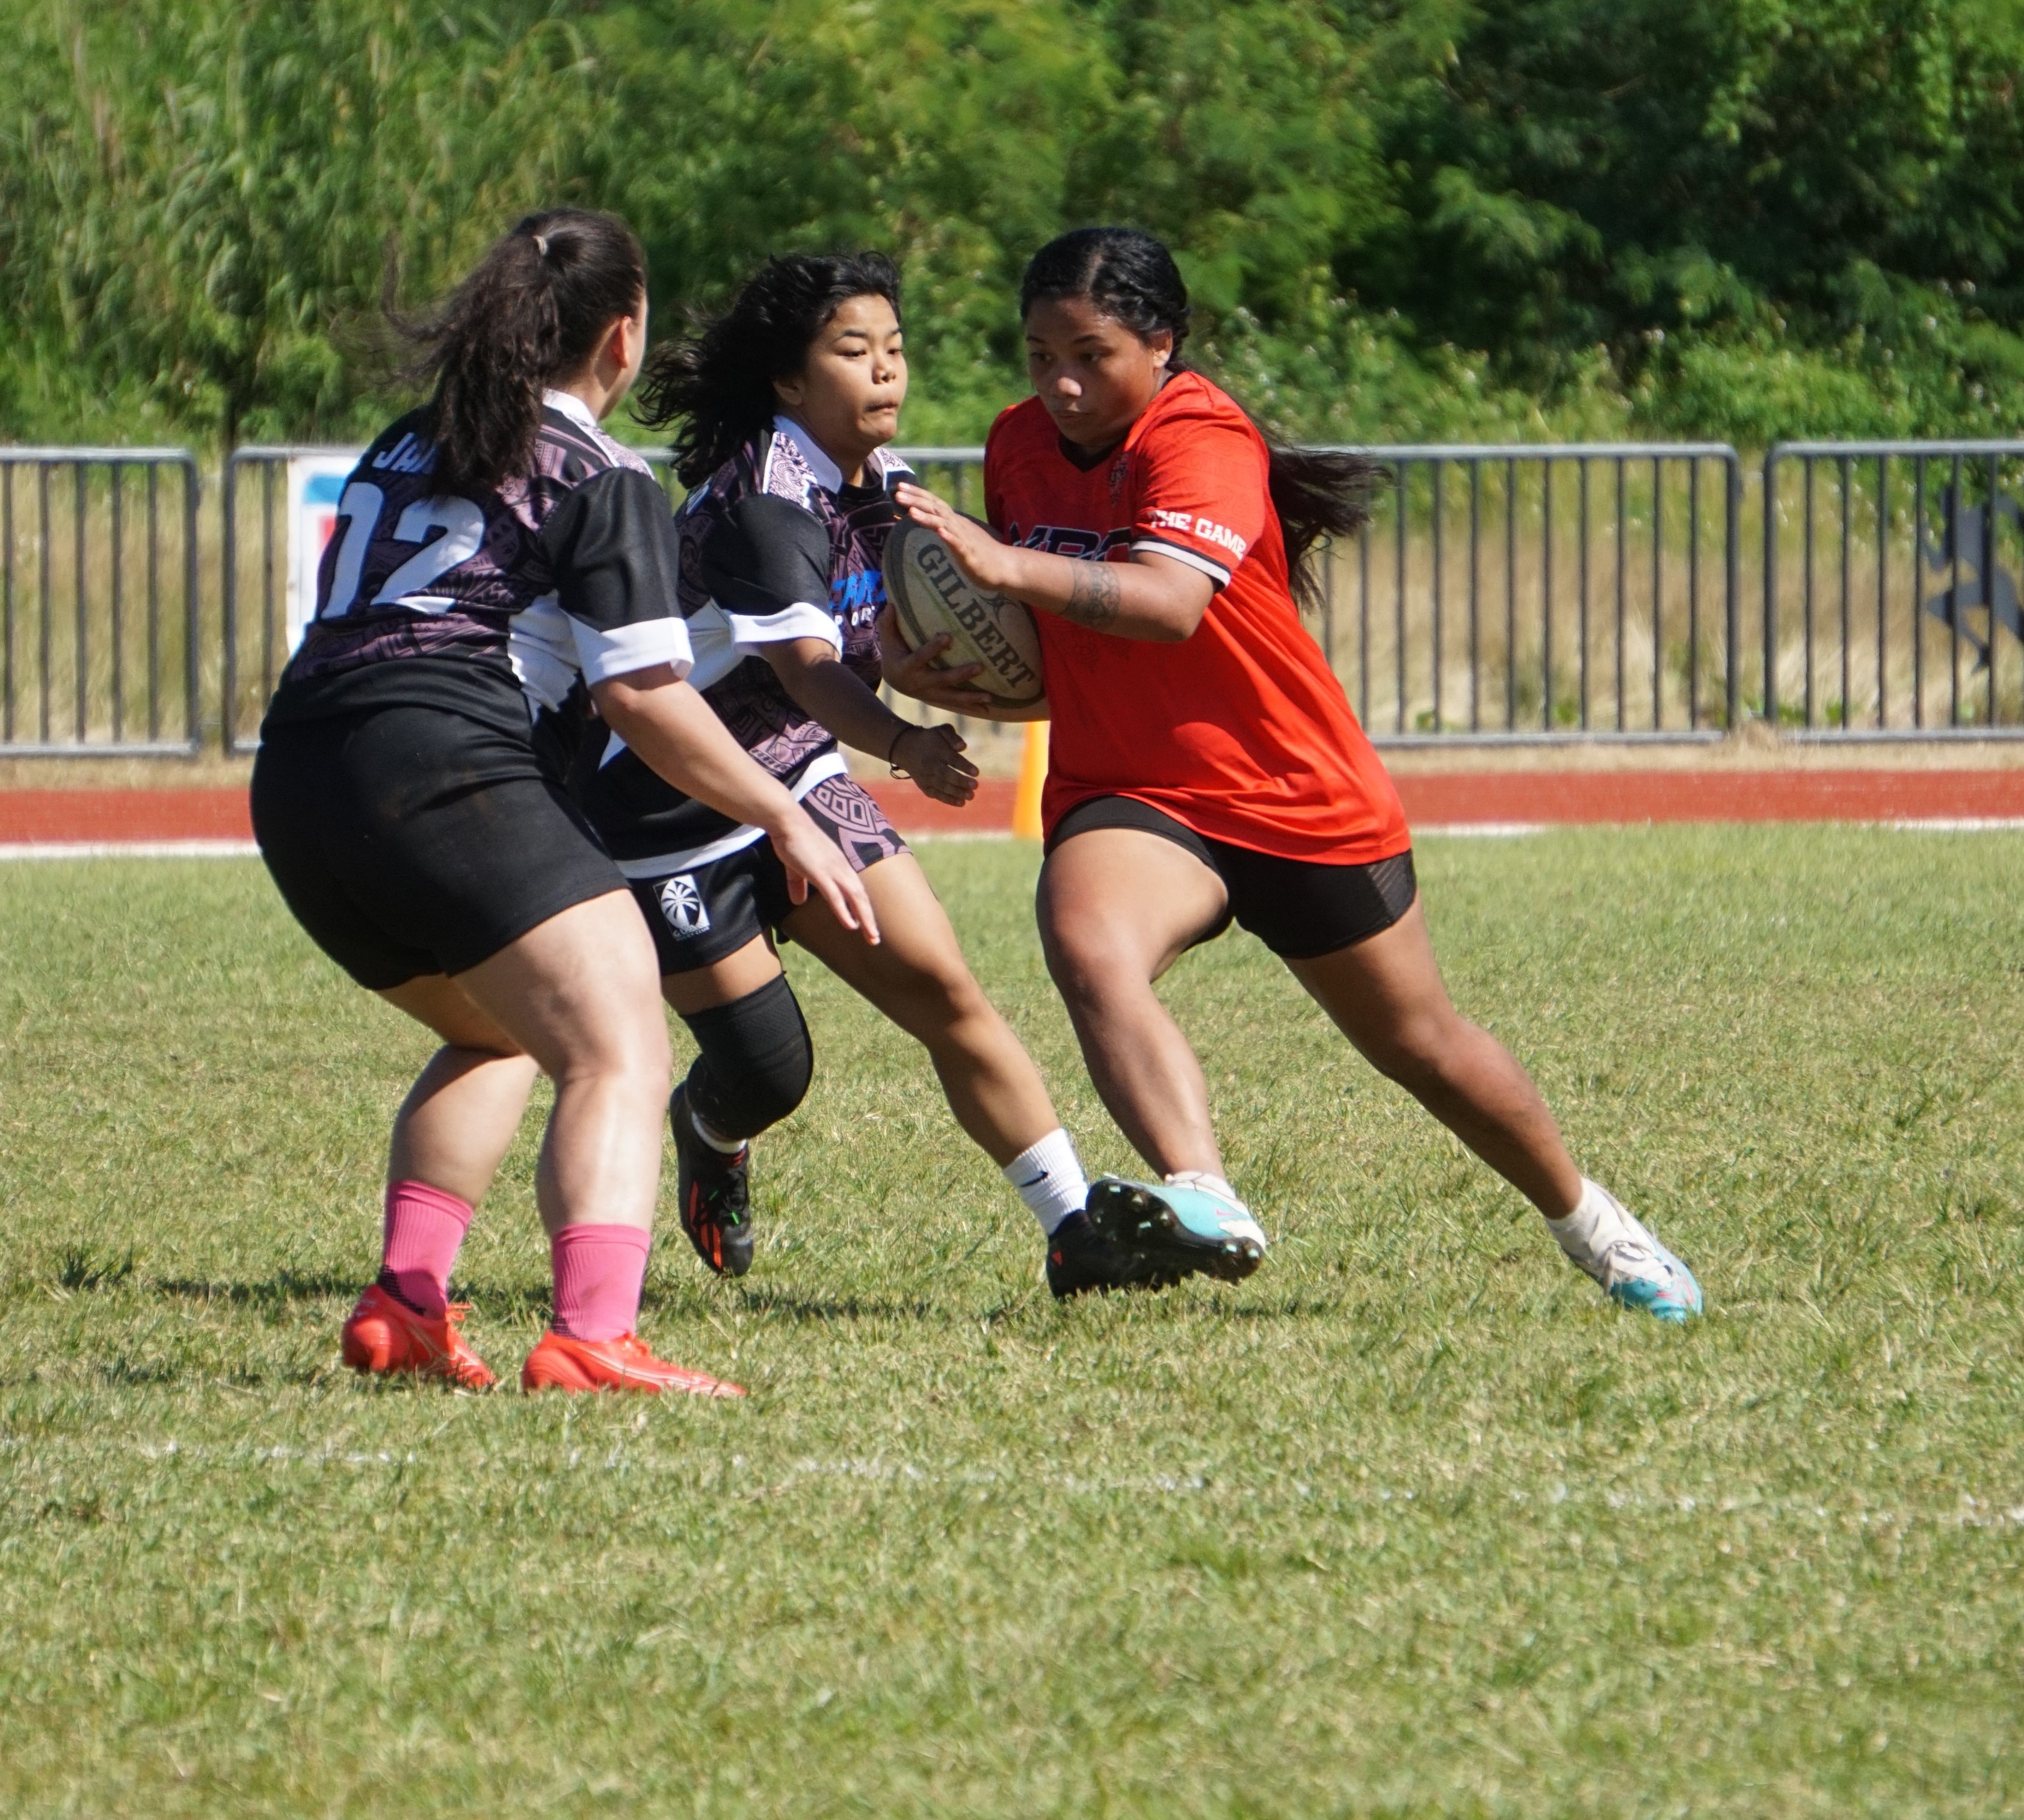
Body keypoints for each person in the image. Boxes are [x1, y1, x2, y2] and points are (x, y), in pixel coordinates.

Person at [888, 226, 1703, 1320]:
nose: (1062, 383)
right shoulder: (1017, 443)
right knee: (1089, 948)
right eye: (1038, 355)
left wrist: (1002, 564)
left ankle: (1592, 1224)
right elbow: (1053, 652)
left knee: (1420, 1044)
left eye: (1089, 354)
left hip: (1290, 791)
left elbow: (1170, 605)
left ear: (1161, 344)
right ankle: (1205, 1194)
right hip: (1132, 791)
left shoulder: (1200, 430)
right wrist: (947, 679)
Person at [250, 209, 880, 1398]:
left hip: (299, 772)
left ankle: (407, 1303)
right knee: (622, 1043)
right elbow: (645, 695)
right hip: (446, 758)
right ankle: (594, 1330)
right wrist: (787, 811)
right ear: (623, 337)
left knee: (499, 1027)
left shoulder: (409, 436)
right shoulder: (600, 470)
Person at [590, 252, 1148, 1295]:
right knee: (769, 1070)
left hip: (794, 777)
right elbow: (802, 670)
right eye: (853, 352)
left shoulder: (885, 487)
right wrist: (904, 743)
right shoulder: (766, 501)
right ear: (790, 381)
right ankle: (710, 1128)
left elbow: (860, 637)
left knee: (944, 987)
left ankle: (1076, 1228)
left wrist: (908, 658)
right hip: (670, 800)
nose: (886, 371)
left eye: (894, 349)